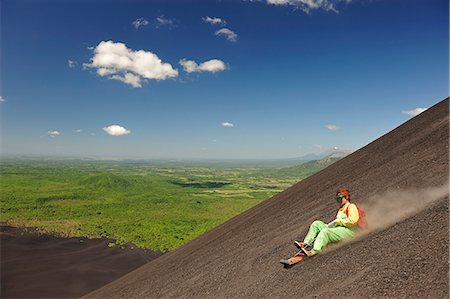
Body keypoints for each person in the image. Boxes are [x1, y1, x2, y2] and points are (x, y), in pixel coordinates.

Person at [280, 187, 359, 266]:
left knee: (325, 232)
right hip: (339, 230)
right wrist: (334, 224)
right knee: (316, 224)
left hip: (349, 231)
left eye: (340, 198)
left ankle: (314, 251)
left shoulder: (351, 206)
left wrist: (338, 221)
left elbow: (354, 221)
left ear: (346, 197)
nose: (339, 200)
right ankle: (306, 243)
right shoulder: (341, 209)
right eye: (337, 198)